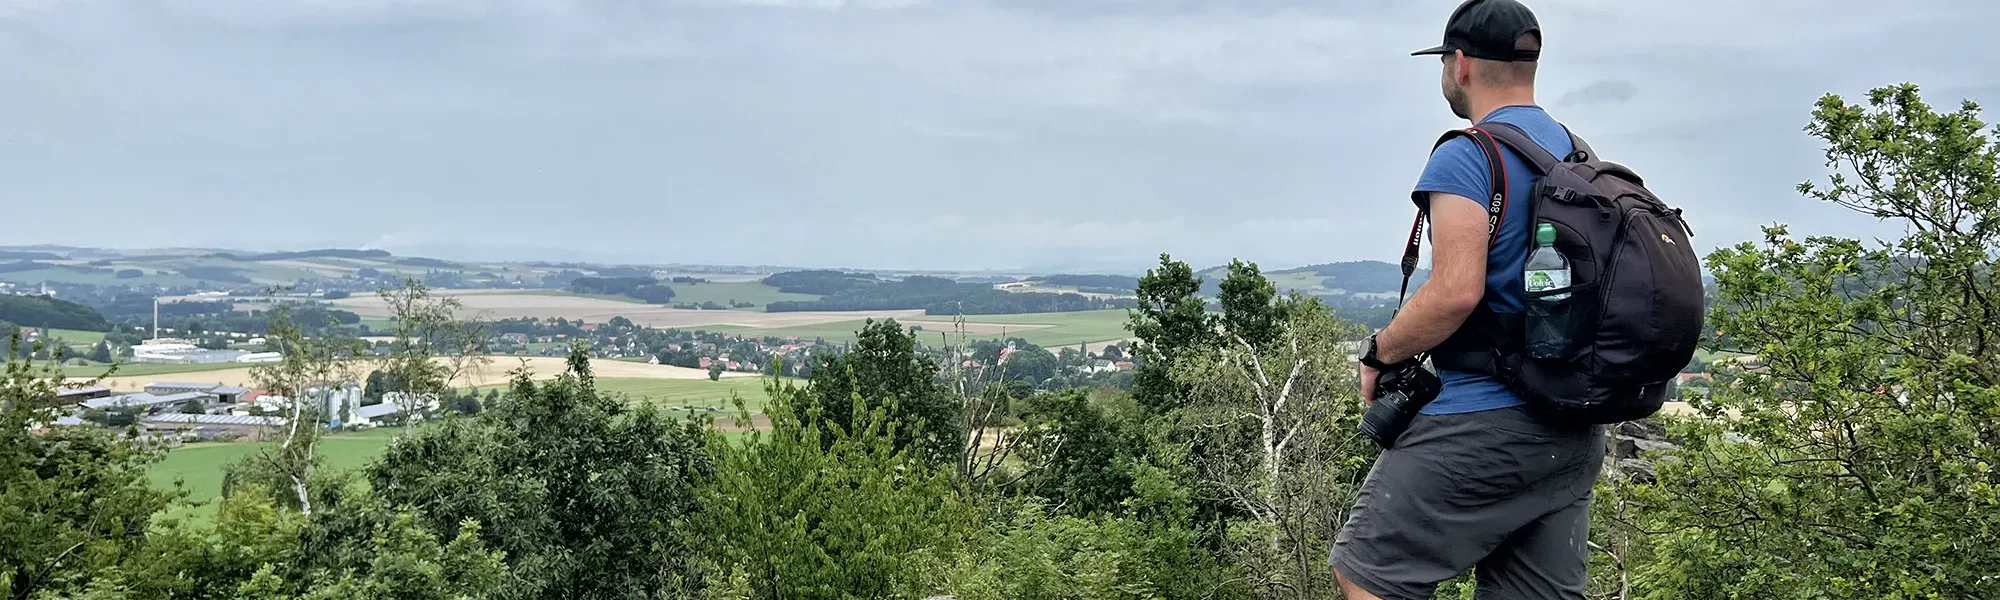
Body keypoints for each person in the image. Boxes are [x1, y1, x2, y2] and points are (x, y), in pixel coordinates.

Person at [1328, 1, 1608, 598]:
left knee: (1367, 573)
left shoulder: (1468, 154)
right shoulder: (1577, 156)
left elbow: (1455, 291)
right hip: (1573, 427)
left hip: (1483, 419)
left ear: (1459, 65)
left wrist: (1379, 354)